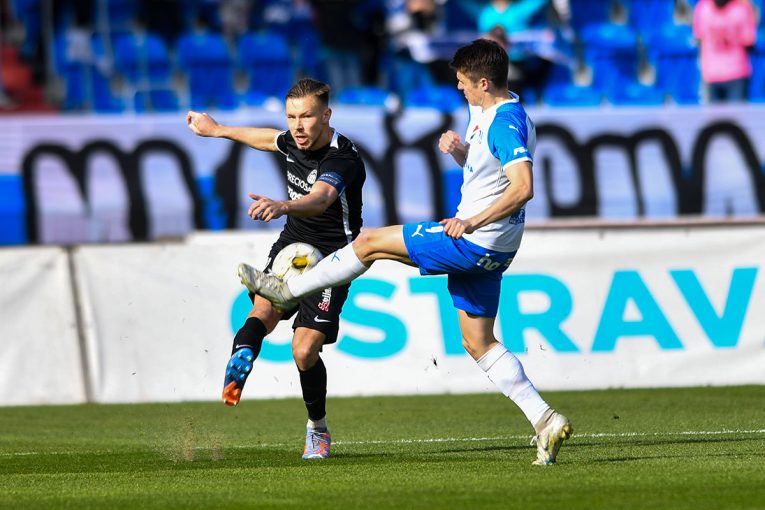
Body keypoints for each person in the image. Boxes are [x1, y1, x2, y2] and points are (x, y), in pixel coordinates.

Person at [238, 39, 573, 466]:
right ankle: (545, 419)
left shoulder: (503, 123)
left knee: (369, 242)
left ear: (484, 83)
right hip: (499, 249)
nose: (459, 89)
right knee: (478, 342)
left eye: (464, 84)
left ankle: (291, 289)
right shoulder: (502, 112)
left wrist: (470, 222)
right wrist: (462, 154)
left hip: (473, 240)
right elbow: (493, 174)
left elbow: (523, 187)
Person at [186, 78, 366, 460]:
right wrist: (217, 130)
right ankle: (242, 359)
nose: (298, 126)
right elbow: (268, 139)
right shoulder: (292, 139)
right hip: (291, 248)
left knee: (303, 351)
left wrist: (283, 205)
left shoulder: (343, 157)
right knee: (262, 311)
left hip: (332, 259)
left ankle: (317, 428)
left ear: (327, 115)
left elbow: (321, 198)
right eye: (291, 117)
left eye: (307, 117)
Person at [693, 0, 757, 103]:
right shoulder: (741, 9)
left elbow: (698, 36)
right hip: (719, 73)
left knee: (725, 118)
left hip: (732, 73)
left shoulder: (703, 8)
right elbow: (749, 39)